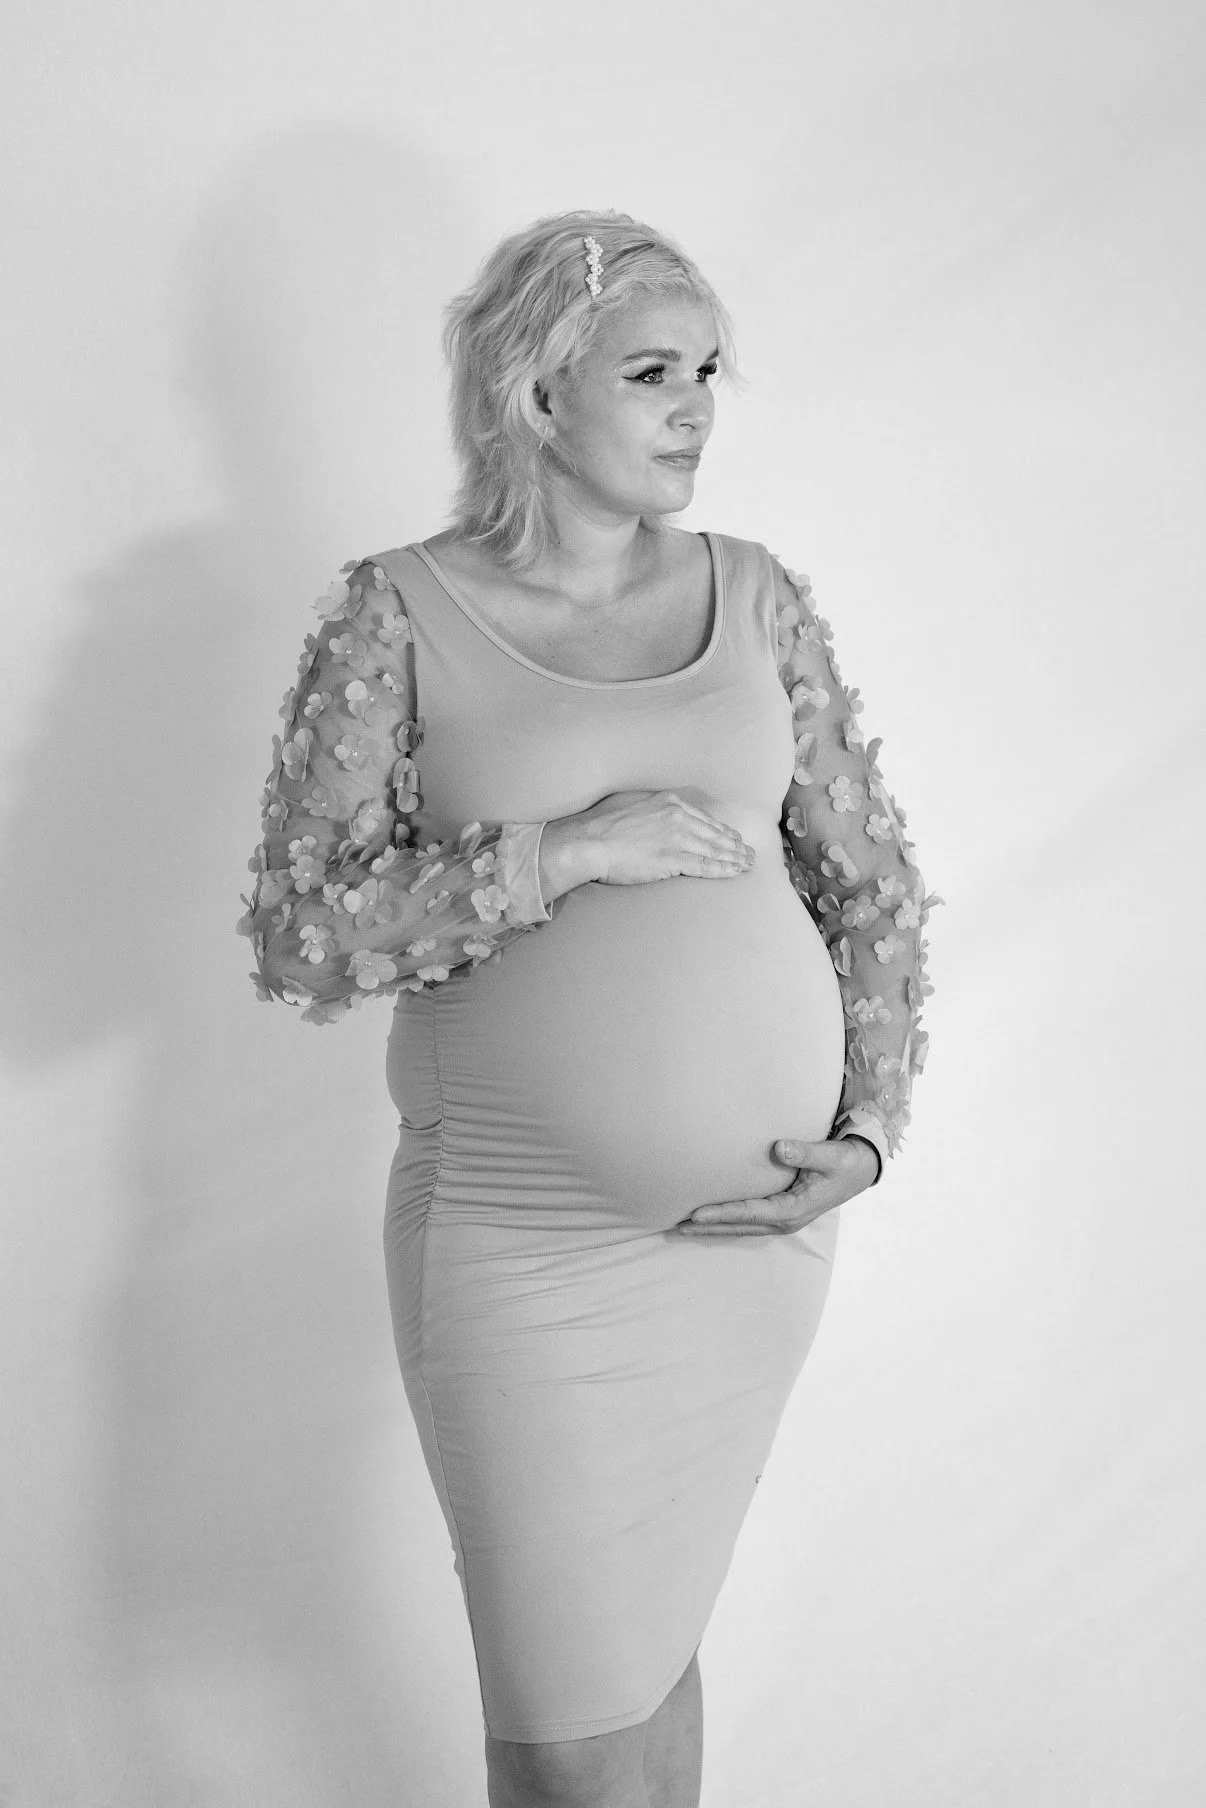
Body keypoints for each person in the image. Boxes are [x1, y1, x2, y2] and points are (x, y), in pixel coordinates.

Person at [238, 209, 939, 1808]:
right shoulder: (396, 613)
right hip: (521, 1242)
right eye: (651, 373)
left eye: (707, 372)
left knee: (643, 1674)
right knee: (567, 1751)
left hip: (754, 1247)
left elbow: (871, 888)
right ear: (538, 392)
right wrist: (556, 853)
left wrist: (867, 1132)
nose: (694, 409)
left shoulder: (755, 597)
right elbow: (299, 933)